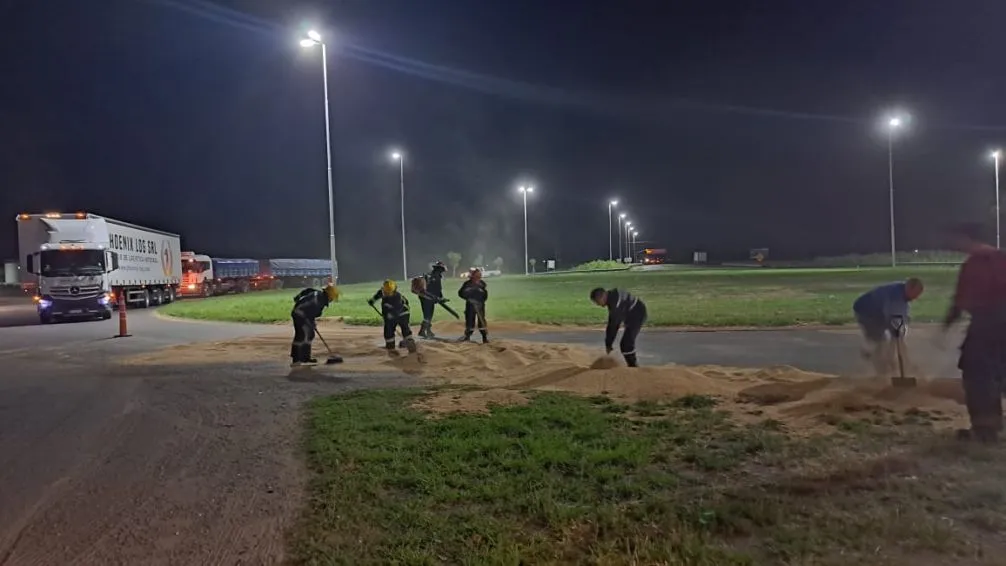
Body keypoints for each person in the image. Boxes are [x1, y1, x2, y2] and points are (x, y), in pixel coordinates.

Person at [942, 222, 1006, 443]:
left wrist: (946, 325)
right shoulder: (1001, 257)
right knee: (998, 372)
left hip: (989, 322)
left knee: (976, 374)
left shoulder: (975, 263)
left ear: (967, 239)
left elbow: (960, 302)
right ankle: (994, 423)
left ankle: (985, 429)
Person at [852, 278, 924, 372]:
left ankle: (878, 356)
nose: (916, 298)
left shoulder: (903, 294)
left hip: (879, 312)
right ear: (909, 288)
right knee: (881, 341)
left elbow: (900, 320)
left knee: (895, 338)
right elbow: (893, 320)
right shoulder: (895, 297)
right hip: (866, 313)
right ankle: (882, 371)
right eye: (916, 294)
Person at [590, 287, 647, 367]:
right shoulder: (612, 297)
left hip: (637, 315)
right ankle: (632, 366)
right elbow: (612, 321)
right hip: (631, 314)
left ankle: (634, 368)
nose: (598, 304)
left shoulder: (615, 304)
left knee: (626, 344)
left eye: (597, 302)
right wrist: (608, 343)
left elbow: (613, 325)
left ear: (602, 296)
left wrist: (609, 344)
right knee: (626, 343)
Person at [290, 284, 340, 366]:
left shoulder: (318, 293)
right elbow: (311, 314)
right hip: (299, 315)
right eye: (332, 298)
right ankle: (296, 359)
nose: (331, 300)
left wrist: (298, 297)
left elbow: (307, 290)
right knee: (301, 335)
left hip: (303, 313)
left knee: (310, 334)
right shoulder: (319, 301)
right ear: (329, 295)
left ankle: (305, 358)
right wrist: (311, 323)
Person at [368, 279, 417, 353]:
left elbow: (397, 310)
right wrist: (372, 301)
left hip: (402, 314)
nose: (387, 294)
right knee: (392, 330)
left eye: (388, 293)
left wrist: (390, 316)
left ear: (394, 291)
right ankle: (394, 344)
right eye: (385, 292)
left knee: (398, 328)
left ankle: (407, 342)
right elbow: (378, 295)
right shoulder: (384, 292)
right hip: (394, 314)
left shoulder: (397, 298)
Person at [415, 260, 447, 339]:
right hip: (428, 298)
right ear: (439, 269)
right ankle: (422, 331)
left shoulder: (431, 275)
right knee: (428, 315)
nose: (442, 272)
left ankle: (428, 331)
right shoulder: (435, 277)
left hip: (426, 298)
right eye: (441, 270)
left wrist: (440, 297)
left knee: (428, 315)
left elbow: (437, 289)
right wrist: (439, 297)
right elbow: (436, 289)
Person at [457, 268, 489, 343]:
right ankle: (467, 337)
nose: (479, 275)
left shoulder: (482, 284)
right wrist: (469, 299)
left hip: (480, 305)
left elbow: (485, 295)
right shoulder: (467, 284)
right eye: (477, 274)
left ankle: (484, 338)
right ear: (473, 275)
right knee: (470, 321)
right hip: (470, 306)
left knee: (482, 321)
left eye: (479, 274)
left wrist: (481, 302)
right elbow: (461, 293)